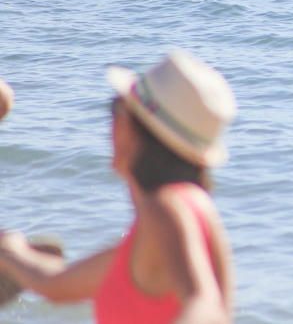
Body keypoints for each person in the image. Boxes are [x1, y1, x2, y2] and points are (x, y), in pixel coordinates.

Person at [0, 50, 236, 323]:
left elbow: (204, 302)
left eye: (116, 108)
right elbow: (56, 283)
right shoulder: (151, 239)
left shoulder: (168, 207)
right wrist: (12, 254)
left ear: (133, 130)